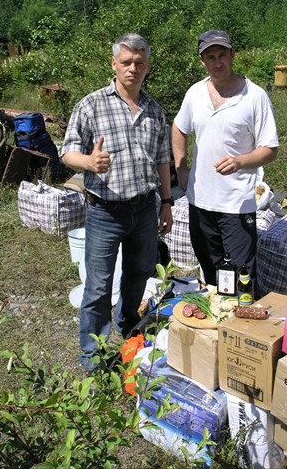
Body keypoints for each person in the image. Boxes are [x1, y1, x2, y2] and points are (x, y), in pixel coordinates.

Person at [61, 33, 173, 373]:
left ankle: (129, 335)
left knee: (138, 276)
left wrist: (166, 203)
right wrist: (89, 163)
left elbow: (163, 161)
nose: (132, 68)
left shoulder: (155, 110)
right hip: (105, 212)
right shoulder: (91, 104)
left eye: (139, 62)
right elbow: (66, 152)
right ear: (114, 64)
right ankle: (92, 360)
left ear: (148, 66)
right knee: (97, 287)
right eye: (126, 62)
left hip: (144, 209)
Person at [172, 30, 279, 289]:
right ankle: (214, 321)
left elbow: (270, 149)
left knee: (242, 273)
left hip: (236, 204)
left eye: (222, 55)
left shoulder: (254, 96)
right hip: (200, 201)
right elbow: (178, 128)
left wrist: (240, 161)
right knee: (210, 269)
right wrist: (181, 167)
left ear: (233, 55)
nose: (217, 63)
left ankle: (240, 322)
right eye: (210, 57)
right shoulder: (195, 93)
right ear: (202, 61)